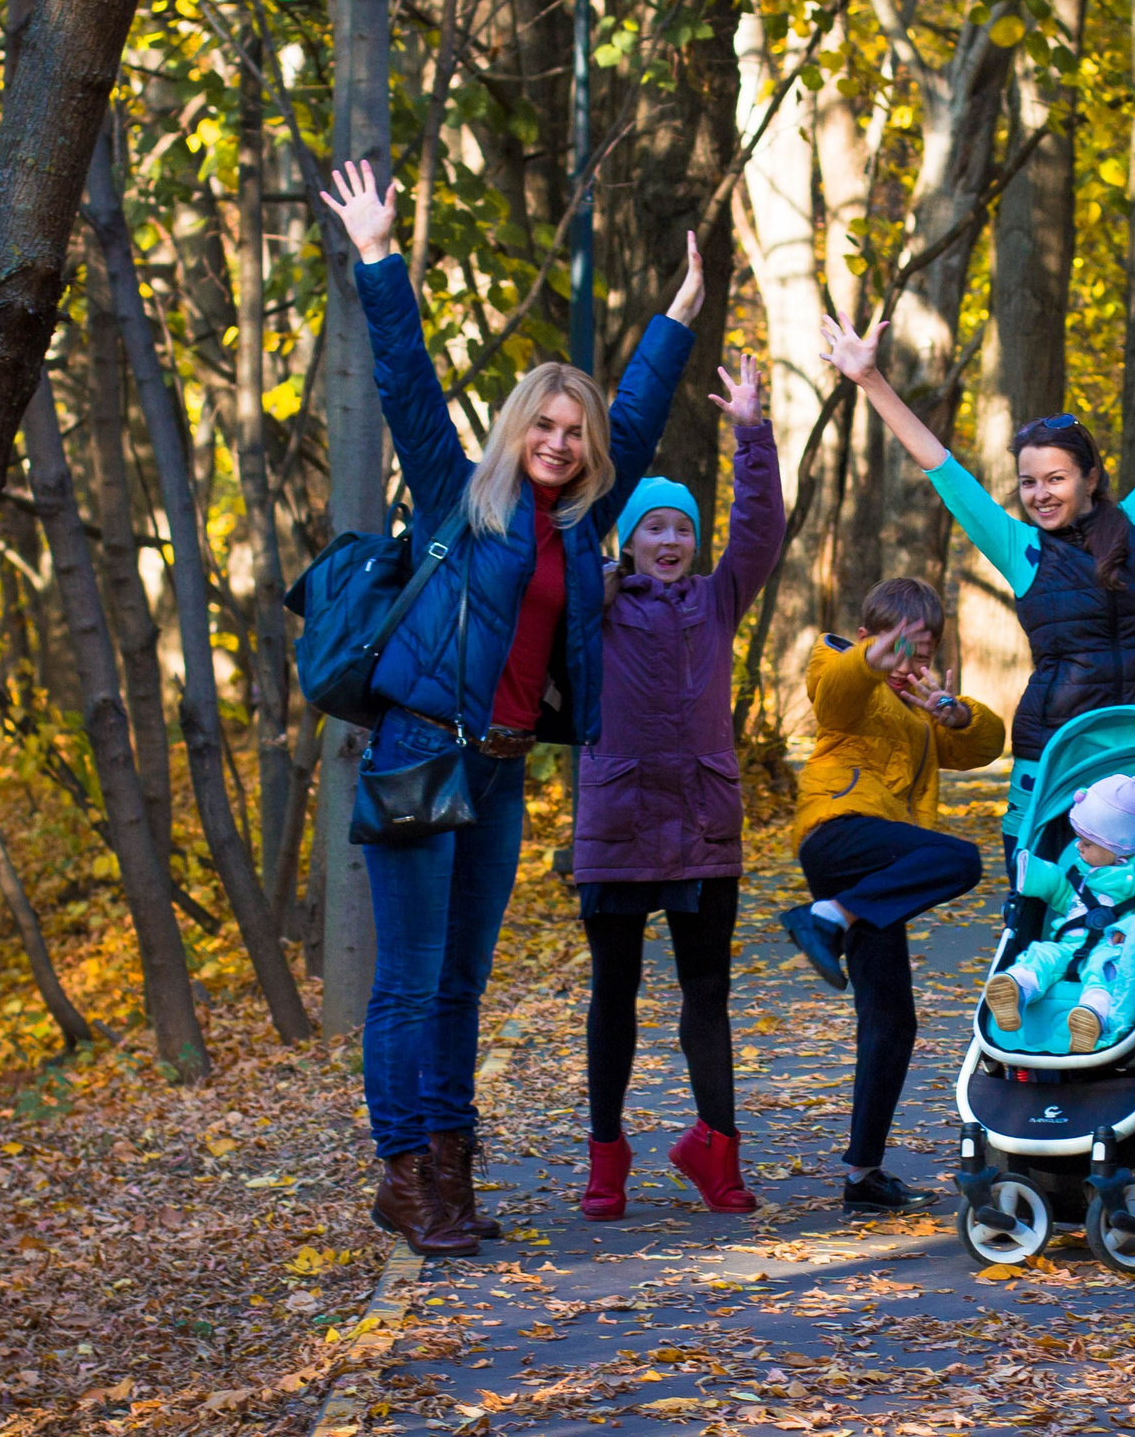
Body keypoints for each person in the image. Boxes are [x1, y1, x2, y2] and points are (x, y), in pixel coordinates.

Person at [319, 161, 703, 1257]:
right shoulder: (461, 495)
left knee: (460, 979)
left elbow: (637, 406)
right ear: (517, 429)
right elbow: (403, 380)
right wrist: (379, 256)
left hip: (494, 766)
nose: (561, 442)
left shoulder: (582, 527)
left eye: (574, 433)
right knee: (406, 980)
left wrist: (675, 318)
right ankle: (404, 1175)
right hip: (414, 751)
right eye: (545, 425)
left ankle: (449, 1172)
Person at [817, 248, 1135, 869]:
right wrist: (871, 381)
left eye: (1056, 479)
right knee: (1048, 902)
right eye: (1028, 483)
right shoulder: (1022, 549)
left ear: (1090, 478)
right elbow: (941, 466)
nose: (1040, 494)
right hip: (1058, 755)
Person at [572, 355, 781, 1221]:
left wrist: (752, 434)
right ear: (626, 536)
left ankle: (716, 1153)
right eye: (652, 527)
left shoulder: (717, 598)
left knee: (708, 996)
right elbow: (560, 539)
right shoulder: (596, 599)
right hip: (617, 821)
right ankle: (606, 1159)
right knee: (612, 996)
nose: (667, 540)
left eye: (680, 529)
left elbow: (761, 528)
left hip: (702, 821)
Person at [783, 579, 1006, 1210]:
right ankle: (824, 915)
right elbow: (833, 695)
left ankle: (862, 1176)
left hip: (880, 866)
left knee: (891, 1018)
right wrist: (867, 661)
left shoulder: (917, 704)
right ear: (867, 637)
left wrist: (955, 712)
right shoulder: (837, 659)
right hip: (837, 830)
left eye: (923, 649)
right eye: (899, 646)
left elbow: (982, 748)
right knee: (958, 858)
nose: (909, 662)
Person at [985, 773, 1135, 1054]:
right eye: (1078, 839)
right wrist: (1036, 874)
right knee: (1040, 955)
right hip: (1068, 943)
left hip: (1110, 948)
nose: (1078, 846)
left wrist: (1130, 928)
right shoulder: (1084, 869)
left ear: (1118, 849)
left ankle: (1091, 1016)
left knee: (1104, 974)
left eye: (1087, 843)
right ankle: (1015, 988)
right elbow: (1064, 895)